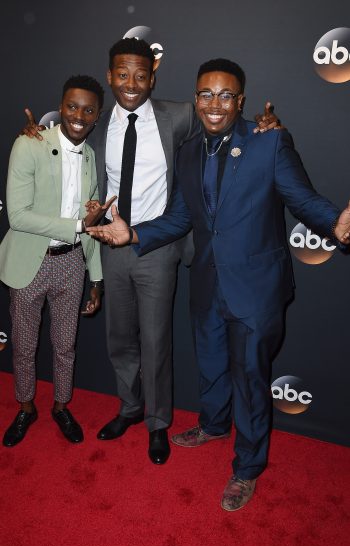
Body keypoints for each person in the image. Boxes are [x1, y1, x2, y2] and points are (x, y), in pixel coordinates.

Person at [87, 58, 350, 510]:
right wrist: (135, 234)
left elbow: (303, 199)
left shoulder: (270, 142)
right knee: (211, 365)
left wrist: (335, 225)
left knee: (250, 379)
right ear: (196, 98)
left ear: (240, 101)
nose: (215, 104)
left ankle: (247, 468)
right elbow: (182, 217)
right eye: (206, 94)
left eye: (225, 95)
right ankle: (212, 424)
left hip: (255, 289)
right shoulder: (189, 150)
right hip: (207, 281)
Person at [22, 38, 281, 465]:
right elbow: (64, 140)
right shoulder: (97, 122)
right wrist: (33, 134)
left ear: (152, 77)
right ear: (110, 77)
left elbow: (224, 126)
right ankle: (130, 407)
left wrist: (263, 124)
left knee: (157, 341)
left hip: (157, 244)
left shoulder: (179, 115)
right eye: (122, 75)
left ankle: (158, 423)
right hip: (110, 243)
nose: (131, 83)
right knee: (120, 339)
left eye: (141, 75)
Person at [0, 75, 111, 447]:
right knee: (24, 343)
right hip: (30, 260)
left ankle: (61, 406)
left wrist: (96, 278)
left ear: (97, 116)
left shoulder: (91, 157)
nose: (79, 115)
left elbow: (93, 224)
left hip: (70, 263)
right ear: (61, 106)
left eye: (88, 109)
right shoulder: (29, 143)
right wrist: (77, 224)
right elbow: (18, 216)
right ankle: (26, 406)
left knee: (65, 345)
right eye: (72, 106)